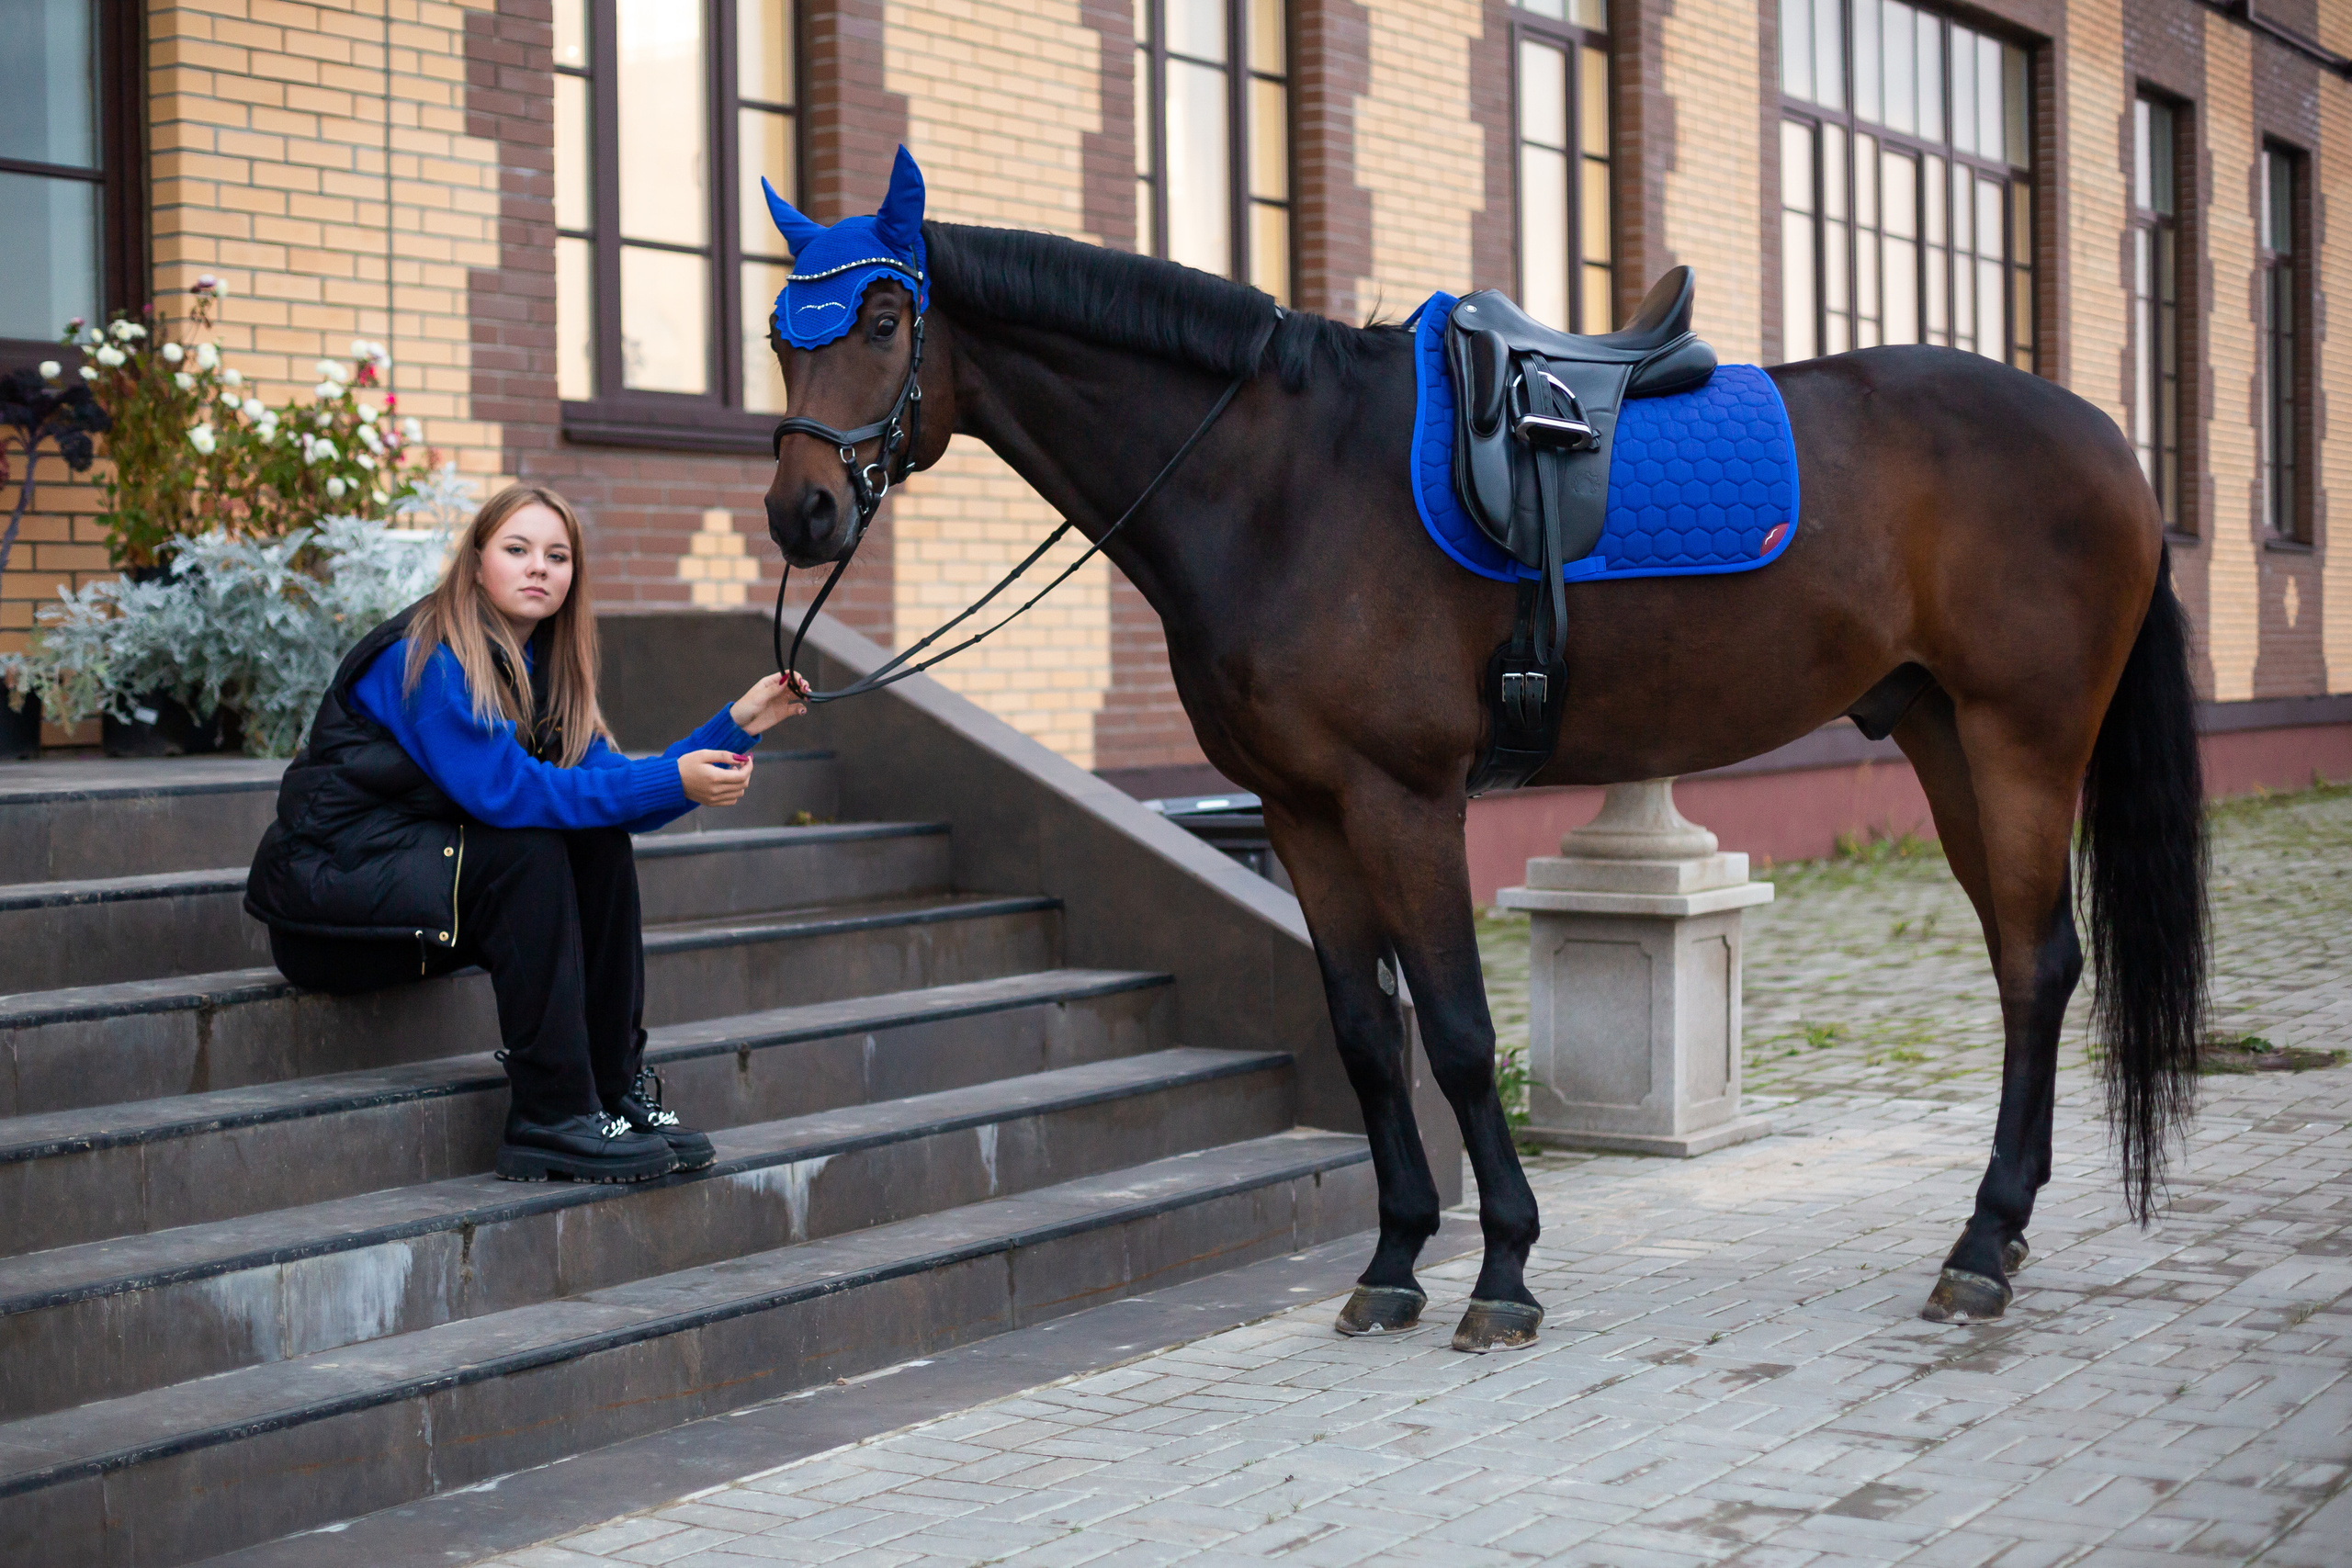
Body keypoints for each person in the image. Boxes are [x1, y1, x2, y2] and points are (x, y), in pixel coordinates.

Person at [246, 484, 808, 1183]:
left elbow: (617, 797)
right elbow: (509, 794)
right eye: (517, 549)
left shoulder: (546, 670)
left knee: (595, 837)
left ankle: (608, 1091)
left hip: (426, 893)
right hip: (330, 916)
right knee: (527, 845)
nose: (538, 567)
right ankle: (551, 1112)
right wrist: (672, 780)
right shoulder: (424, 658)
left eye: (557, 555)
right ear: (477, 561)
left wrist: (739, 723)